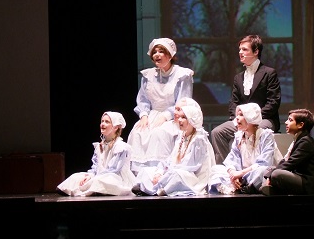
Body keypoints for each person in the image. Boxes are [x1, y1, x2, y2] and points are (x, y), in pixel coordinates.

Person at [210, 34, 282, 165]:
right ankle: (226, 170)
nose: (240, 52)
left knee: (256, 129)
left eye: (244, 49)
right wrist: (237, 119)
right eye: (240, 49)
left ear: (256, 52)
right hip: (242, 120)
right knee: (217, 132)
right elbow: (234, 102)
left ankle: (254, 170)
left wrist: (251, 119)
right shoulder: (239, 77)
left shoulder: (269, 73)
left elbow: (273, 102)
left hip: (264, 119)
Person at [127, 37, 195, 174]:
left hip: (175, 117)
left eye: (161, 51)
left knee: (160, 134)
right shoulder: (148, 75)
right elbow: (143, 99)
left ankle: (159, 173)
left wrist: (166, 116)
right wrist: (144, 115)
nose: (156, 55)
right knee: (138, 132)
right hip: (152, 115)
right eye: (154, 52)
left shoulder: (182, 75)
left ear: (170, 55)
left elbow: (183, 101)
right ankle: (140, 175)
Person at [132, 98, 214, 196]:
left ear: (192, 120)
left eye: (184, 117)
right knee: (148, 170)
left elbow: (191, 166)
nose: (179, 120)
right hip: (174, 171)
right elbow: (171, 159)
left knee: (177, 175)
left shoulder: (199, 139)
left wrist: (167, 173)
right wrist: (160, 172)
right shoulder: (182, 136)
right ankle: (154, 187)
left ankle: (156, 189)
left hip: (191, 176)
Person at [56, 111, 136, 196]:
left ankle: (91, 189)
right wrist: (90, 176)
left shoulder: (121, 147)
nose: (103, 124)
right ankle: (82, 188)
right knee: (76, 177)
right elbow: (95, 167)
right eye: (102, 121)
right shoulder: (99, 146)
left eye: (107, 122)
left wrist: (94, 177)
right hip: (100, 175)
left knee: (100, 181)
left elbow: (113, 169)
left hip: (116, 178)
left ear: (115, 127)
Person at [208, 102, 281, 195]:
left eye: (241, 115)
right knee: (216, 169)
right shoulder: (239, 136)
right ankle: (240, 186)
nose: (237, 118)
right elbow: (232, 159)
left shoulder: (265, 136)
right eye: (237, 115)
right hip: (242, 175)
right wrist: (234, 174)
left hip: (254, 173)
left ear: (251, 117)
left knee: (262, 171)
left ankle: (246, 187)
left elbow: (264, 162)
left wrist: (240, 174)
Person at [261, 108, 314, 196]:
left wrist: (271, 175)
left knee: (276, 173)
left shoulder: (306, 142)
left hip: (310, 184)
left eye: (290, 120)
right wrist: (270, 173)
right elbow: (285, 161)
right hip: (302, 179)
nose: (286, 122)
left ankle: (271, 189)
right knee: (269, 169)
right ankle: (269, 189)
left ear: (300, 125)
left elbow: (290, 163)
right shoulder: (298, 139)